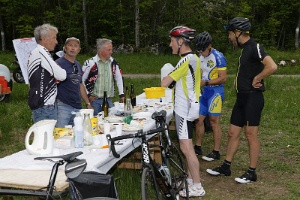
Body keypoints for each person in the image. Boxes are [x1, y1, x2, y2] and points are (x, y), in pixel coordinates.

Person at [206, 17, 277, 183]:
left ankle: (252, 172)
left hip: (253, 97)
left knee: (250, 134)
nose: (229, 37)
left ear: (238, 33)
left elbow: (272, 66)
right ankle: (226, 167)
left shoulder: (254, 46)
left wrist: (258, 78)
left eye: (230, 34)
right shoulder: (245, 49)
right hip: (242, 97)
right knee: (233, 133)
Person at [161, 26, 205, 197]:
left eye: (172, 41)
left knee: (187, 148)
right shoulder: (194, 58)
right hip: (189, 106)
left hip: (184, 108)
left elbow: (165, 82)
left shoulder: (186, 60)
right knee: (186, 146)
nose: (170, 44)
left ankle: (197, 186)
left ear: (180, 41)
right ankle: (189, 180)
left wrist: (168, 75)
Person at [193, 31, 227, 161]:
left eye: (203, 50)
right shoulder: (200, 56)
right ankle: (198, 147)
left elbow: (223, 79)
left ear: (209, 46)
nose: (201, 53)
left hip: (216, 92)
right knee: (199, 120)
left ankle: (216, 151)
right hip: (204, 92)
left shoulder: (218, 57)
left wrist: (205, 82)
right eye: (199, 51)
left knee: (214, 122)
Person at [27, 24, 66, 123]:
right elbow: (61, 75)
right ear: (44, 38)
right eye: (54, 38)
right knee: (46, 137)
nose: (56, 42)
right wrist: (61, 70)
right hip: (44, 106)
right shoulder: (40, 52)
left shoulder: (39, 52)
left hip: (43, 105)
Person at [55, 37, 92, 127]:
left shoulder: (78, 65)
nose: (72, 48)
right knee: (60, 134)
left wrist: (88, 103)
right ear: (65, 48)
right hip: (63, 106)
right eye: (70, 45)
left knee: (75, 134)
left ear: (78, 50)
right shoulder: (58, 63)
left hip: (77, 107)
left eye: (75, 46)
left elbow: (80, 84)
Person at [82, 38, 124, 116]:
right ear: (100, 50)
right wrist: (88, 95)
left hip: (108, 99)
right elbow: (81, 80)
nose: (111, 52)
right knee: (96, 122)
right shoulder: (90, 63)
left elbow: (119, 78)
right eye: (108, 50)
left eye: (111, 49)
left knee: (112, 118)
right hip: (95, 100)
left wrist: (122, 94)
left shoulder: (113, 62)